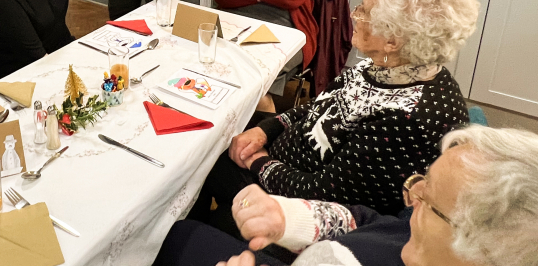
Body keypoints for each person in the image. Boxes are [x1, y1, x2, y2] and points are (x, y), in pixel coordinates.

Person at [190, 0, 480, 235]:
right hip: (282, 158)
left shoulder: (407, 117)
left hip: (293, 204)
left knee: (197, 159)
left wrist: (258, 161)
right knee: (208, 134)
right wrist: (265, 131)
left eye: (364, 11)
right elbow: (318, 108)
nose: (354, 15)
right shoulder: (386, 64)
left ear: (393, 40)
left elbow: (318, 194)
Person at [155, 125, 538, 266]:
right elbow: (377, 222)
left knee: (174, 237)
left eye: (428, 198)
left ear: (480, 251)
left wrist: (261, 164)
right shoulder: (417, 235)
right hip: (306, 244)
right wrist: (292, 219)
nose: (412, 192)